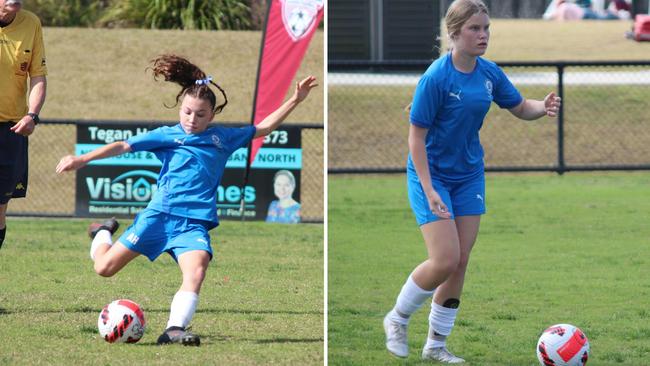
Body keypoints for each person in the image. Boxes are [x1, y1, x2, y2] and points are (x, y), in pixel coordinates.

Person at [56, 54, 317, 345]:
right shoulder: (167, 135)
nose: (192, 119)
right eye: (187, 112)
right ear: (181, 108)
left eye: (200, 114)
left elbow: (264, 128)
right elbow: (123, 145)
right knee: (104, 268)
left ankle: (174, 329)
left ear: (213, 114)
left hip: (193, 224)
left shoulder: (223, 138)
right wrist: (82, 159)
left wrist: (296, 99)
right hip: (159, 216)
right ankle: (102, 232)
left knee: (197, 270)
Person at [382, 0, 561, 363]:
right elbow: (416, 138)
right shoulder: (436, 77)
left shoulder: (489, 73)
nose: (483, 35)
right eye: (474, 29)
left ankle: (435, 345)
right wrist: (430, 190)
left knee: (460, 261)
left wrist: (543, 107)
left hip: (468, 176)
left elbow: (520, 107)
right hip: (430, 176)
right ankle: (397, 318)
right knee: (445, 258)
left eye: (486, 28)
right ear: (454, 33)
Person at [0, 0, 47, 250]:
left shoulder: (31, 23)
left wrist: (32, 115)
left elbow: (38, 75)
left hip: (10, 129)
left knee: (0, 208)